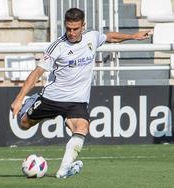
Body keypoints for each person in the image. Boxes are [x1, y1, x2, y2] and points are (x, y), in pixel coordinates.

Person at [11, 8, 150, 178]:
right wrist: (19, 99)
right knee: (24, 124)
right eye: (68, 28)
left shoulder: (92, 36)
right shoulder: (57, 47)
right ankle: (32, 101)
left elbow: (109, 36)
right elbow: (37, 73)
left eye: (75, 29)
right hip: (52, 98)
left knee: (83, 127)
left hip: (76, 101)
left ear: (83, 26)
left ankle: (63, 170)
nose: (71, 32)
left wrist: (133, 36)